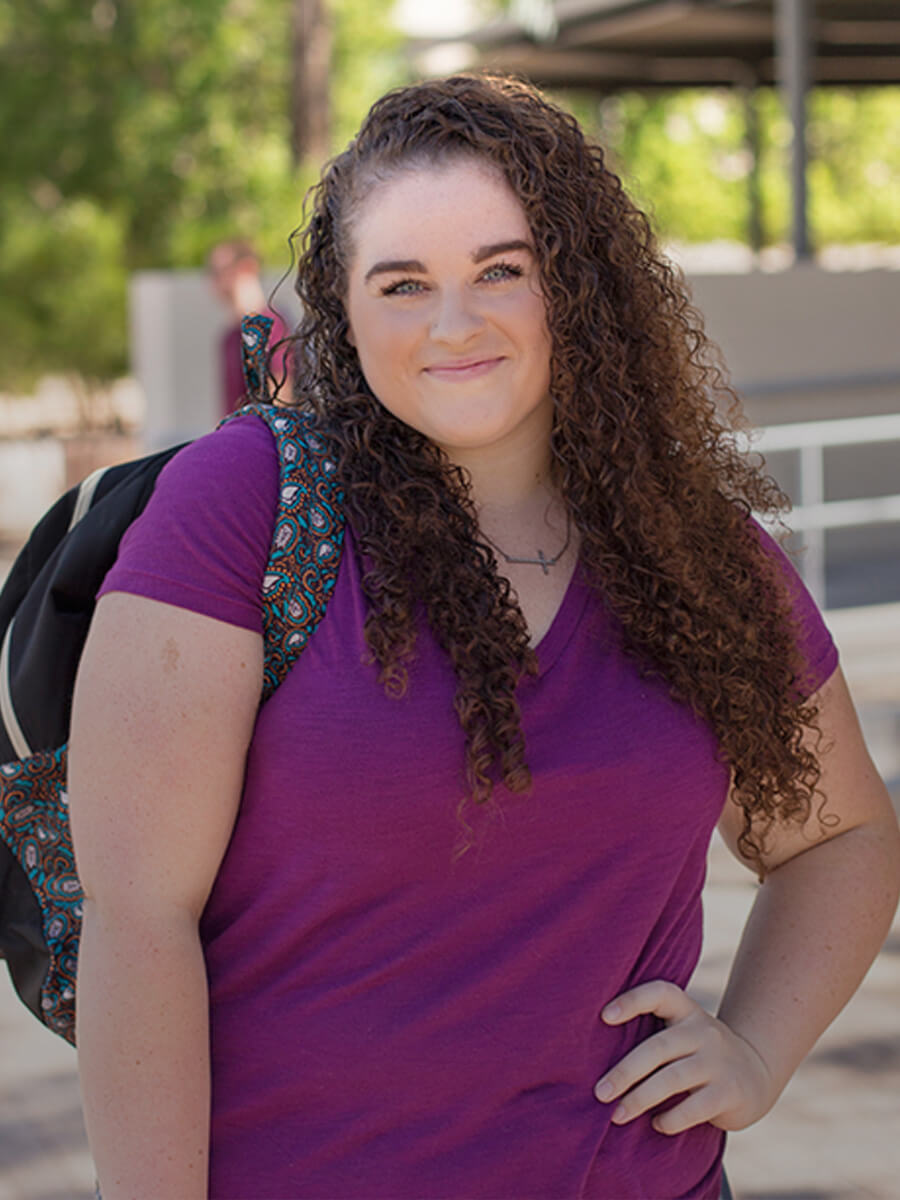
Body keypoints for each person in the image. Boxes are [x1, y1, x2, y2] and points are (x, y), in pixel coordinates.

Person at [69, 74, 900, 1200]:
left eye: (501, 269)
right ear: (344, 310)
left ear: (577, 284)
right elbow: (138, 923)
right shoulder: (246, 506)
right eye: (402, 283)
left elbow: (840, 839)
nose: (452, 324)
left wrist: (753, 1050)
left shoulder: (697, 554)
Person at [207, 239, 288, 415]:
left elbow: (282, 401)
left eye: (219, 271)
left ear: (247, 268)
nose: (213, 281)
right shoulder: (229, 337)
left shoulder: (270, 326)